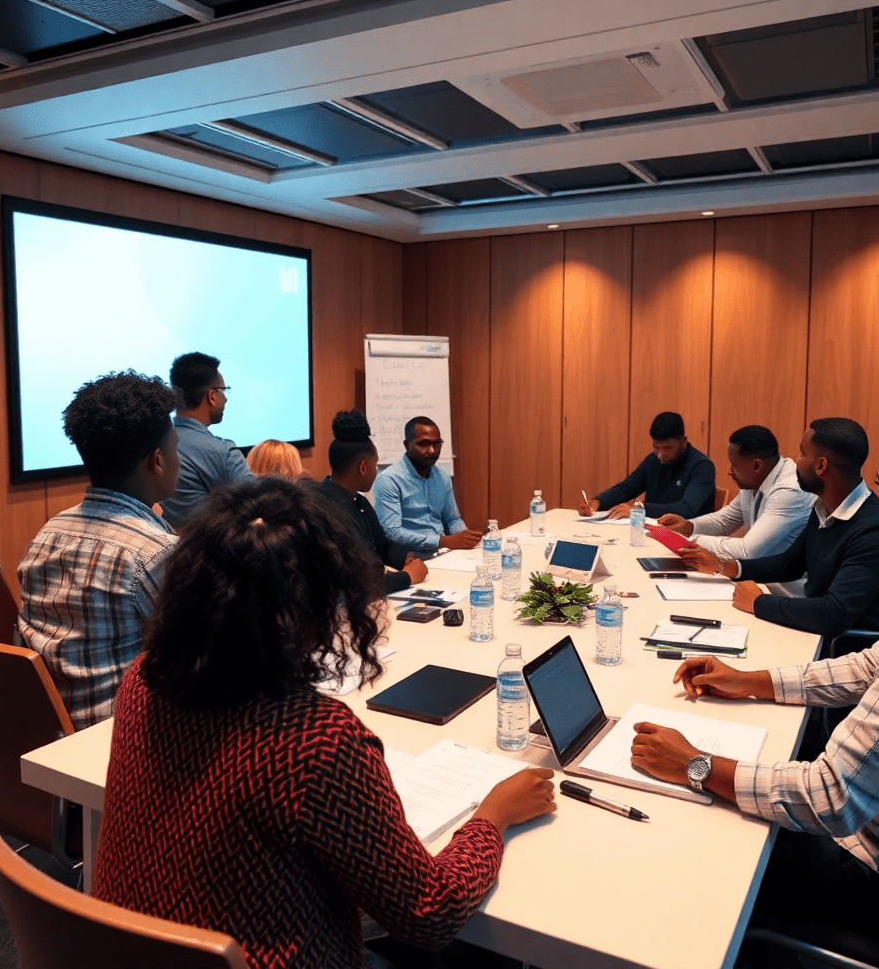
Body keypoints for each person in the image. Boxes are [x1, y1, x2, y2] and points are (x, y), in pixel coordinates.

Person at [92, 477, 555, 969]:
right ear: (320, 602)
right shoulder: (315, 742)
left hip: (134, 950)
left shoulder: (143, 679)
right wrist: (492, 817)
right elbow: (430, 914)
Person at [631, 417, 879, 969]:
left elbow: (832, 796)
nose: (873, 498)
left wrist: (694, 764)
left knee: (697, 843)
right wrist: (750, 680)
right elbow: (872, 665)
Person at [18, 371, 179, 730]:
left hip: (51, 738)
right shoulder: (155, 554)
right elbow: (205, 656)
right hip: (123, 738)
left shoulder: (48, 533)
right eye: (176, 448)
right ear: (157, 460)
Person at [677, 417, 879, 638]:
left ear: (821, 466)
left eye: (802, 453)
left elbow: (834, 614)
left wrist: (758, 602)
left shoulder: (874, 529)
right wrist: (726, 566)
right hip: (813, 631)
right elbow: (790, 563)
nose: (796, 460)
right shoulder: (824, 507)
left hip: (844, 645)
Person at [658, 425, 813, 595]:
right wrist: (689, 527)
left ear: (757, 465)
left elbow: (747, 551)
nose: (729, 471)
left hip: (784, 595)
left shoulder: (790, 490)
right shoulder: (755, 480)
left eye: (734, 465)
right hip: (754, 583)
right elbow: (724, 520)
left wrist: (686, 540)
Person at [322, 410, 428, 596]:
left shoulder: (358, 501)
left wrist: (404, 558)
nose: (376, 471)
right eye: (376, 464)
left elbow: (383, 546)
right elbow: (354, 586)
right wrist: (407, 577)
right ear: (363, 467)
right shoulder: (325, 512)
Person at [159, 351, 252, 529]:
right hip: (211, 545)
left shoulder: (155, 445)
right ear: (212, 396)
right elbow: (260, 505)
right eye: (223, 390)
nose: (225, 398)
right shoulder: (223, 452)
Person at [578, 411, 715, 520]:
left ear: (683, 442)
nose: (660, 454)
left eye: (667, 448)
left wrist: (639, 508)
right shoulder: (653, 460)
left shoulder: (702, 466)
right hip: (652, 529)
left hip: (688, 536)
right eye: (656, 447)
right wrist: (598, 502)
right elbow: (626, 488)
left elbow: (686, 509)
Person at [373, 417, 482, 552]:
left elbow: (452, 519)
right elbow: (391, 532)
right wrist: (442, 541)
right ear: (407, 445)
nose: (432, 450)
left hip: (444, 552)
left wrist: (466, 538)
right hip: (411, 558)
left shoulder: (442, 477)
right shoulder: (389, 480)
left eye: (437, 443)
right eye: (424, 444)